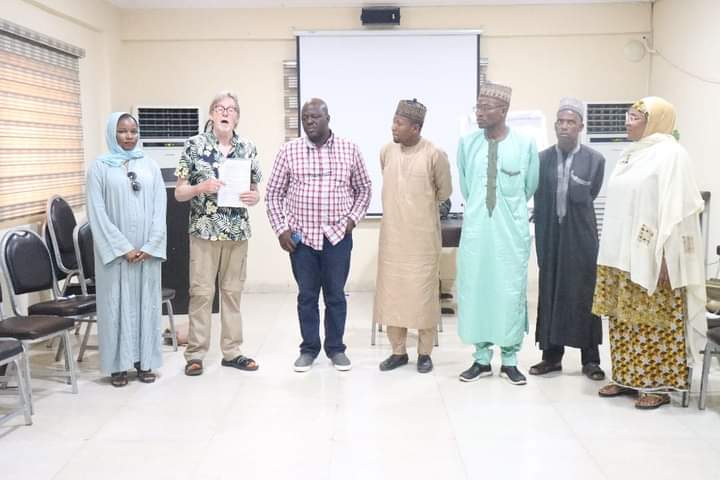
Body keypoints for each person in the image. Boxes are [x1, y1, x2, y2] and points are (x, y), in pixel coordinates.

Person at [593, 97, 705, 409]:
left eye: (634, 117)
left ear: (654, 121)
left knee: (654, 320)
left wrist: (670, 258)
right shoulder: (631, 154)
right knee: (624, 317)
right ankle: (627, 378)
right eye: (628, 115)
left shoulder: (672, 155)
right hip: (621, 254)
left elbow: (679, 210)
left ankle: (658, 384)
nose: (627, 121)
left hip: (655, 255)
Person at [265, 98, 371, 372]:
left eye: (314, 117)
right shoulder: (289, 151)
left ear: (328, 118)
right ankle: (309, 349)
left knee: (335, 295)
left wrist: (352, 220)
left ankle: (336, 349)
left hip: (338, 237)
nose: (309, 122)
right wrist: (281, 229)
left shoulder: (349, 150)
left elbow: (364, 188)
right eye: (305, 118)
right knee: (307, 297)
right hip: (302, 240)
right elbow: (273, 194)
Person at [455, 82, 539, 385]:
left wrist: (507, 211)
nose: (478, 113)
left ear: (503, 111)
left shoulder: (525, 144)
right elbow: (467, 187)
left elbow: (530, 185)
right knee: (477, 290)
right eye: (477, 107)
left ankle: (510, 359)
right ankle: (480, 358)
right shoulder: (467, 144)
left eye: (485, 107)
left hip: (510, 235)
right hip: (478, 231)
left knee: (508, 293)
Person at [174, 91, 262, 376]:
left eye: (232, 109)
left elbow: (255, 190)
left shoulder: (247, 147)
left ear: (237, 116)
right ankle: (196, 354)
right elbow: (179, 192)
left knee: (232, 293)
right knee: (201, 293)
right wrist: (201, 188)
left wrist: (253, 197)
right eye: (220, 108)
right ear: (211, 114)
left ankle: (232, 352)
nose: (226, 113)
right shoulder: (193, 146)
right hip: (204, 231)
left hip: (237, 231)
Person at [87, 112, 167, 387]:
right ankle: (117, 367)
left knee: (146, 305)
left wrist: (150, 245)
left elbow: (160, 208)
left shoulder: (150, 166)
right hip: (116, 256)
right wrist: (122, 248)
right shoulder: (99, 167)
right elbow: (96, 212)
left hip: (146, 253)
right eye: (122, 131)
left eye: (133, 131)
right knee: (115, 306)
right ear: (112, 133)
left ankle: (144, 363)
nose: (129, 136)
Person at [530, 97, 606, 381]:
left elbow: (592, 192)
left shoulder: (595, 160)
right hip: (550, 233)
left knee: (584, 293)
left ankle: (591, 360)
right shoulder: (541, 159)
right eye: (560, 122)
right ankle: (551, 357)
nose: (564, 127)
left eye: (570, 122)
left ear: (581, 126)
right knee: (550, 292)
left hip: (580, 235)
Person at [374, 99, 452, 374]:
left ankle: (424, 353)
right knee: (392, 295)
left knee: (424, 297)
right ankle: (398, 352)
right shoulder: (386, 152)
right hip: (393, 239)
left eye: (399, 122)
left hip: (422, 242)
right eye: (394, 120)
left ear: (416, 127)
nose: (393, 127)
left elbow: (444, 193)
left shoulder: (434, 154)